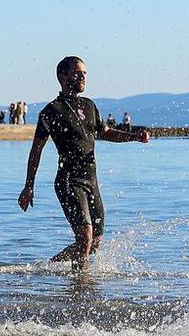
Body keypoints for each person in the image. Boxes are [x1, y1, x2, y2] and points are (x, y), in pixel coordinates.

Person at [18, 55, 150, 268]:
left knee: (95, 242)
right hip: (69, 181)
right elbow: (36, 150)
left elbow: (106, 132)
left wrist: (133, 136)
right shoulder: (51, 112)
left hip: (91, 181)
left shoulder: (89, 105)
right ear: (62, 76)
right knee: (85, 238)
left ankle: (48, 267)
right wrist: (29, 186)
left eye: (85, 74)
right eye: (78, 73)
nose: (83, 77)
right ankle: (81, 286)